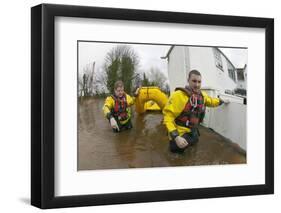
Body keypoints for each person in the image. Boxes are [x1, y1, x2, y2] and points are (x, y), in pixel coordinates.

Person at [162, 70, 229, 153]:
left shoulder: (202, 95)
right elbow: (168, 118)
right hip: (180, 134)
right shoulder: (178, 95)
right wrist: (176, 137)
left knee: (193, 151)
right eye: (194, 81)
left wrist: (222, 101)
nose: (197, 85)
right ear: (188, 80)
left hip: (193, 132)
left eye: (199, 82)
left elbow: (211, 101)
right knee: (177, 157)